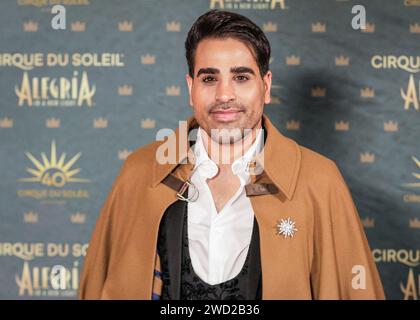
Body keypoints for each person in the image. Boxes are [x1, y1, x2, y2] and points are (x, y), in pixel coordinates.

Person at [79, 9, 385, 300]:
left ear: (265, 86)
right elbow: (98, 284)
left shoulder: (318, 179)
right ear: (191, 88)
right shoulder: (140, 172)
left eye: (241, 77)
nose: (224, 95)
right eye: (209, 78)